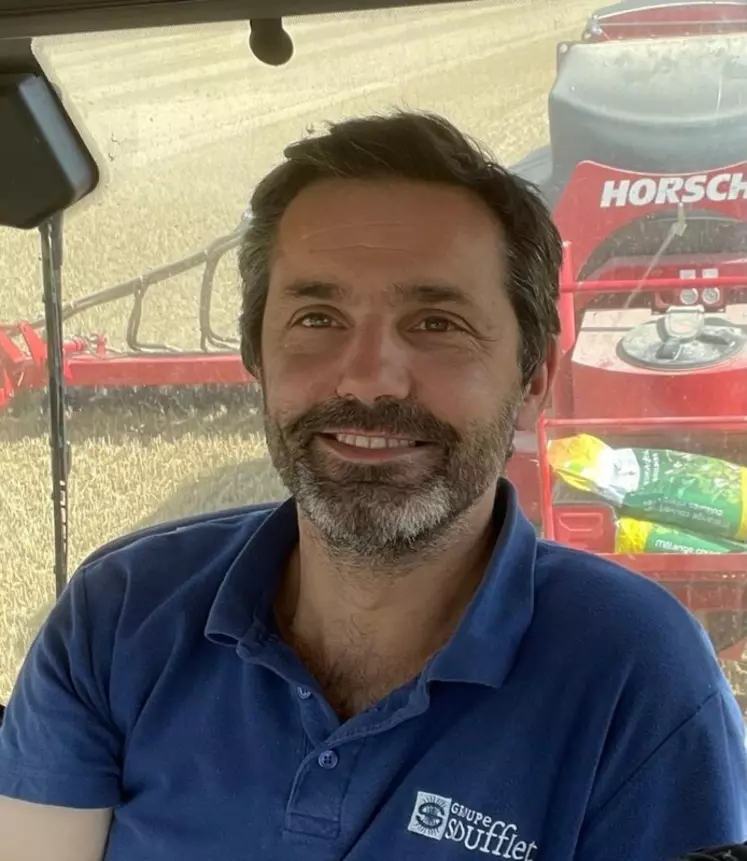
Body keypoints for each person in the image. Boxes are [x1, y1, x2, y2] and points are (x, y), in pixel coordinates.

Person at [0, 110, 745, 861]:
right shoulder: (119, 614)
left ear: (532, 378)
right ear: (257, 360)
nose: (367, 377)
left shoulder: (636, 677)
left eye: (436, 322)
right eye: (318, 316)